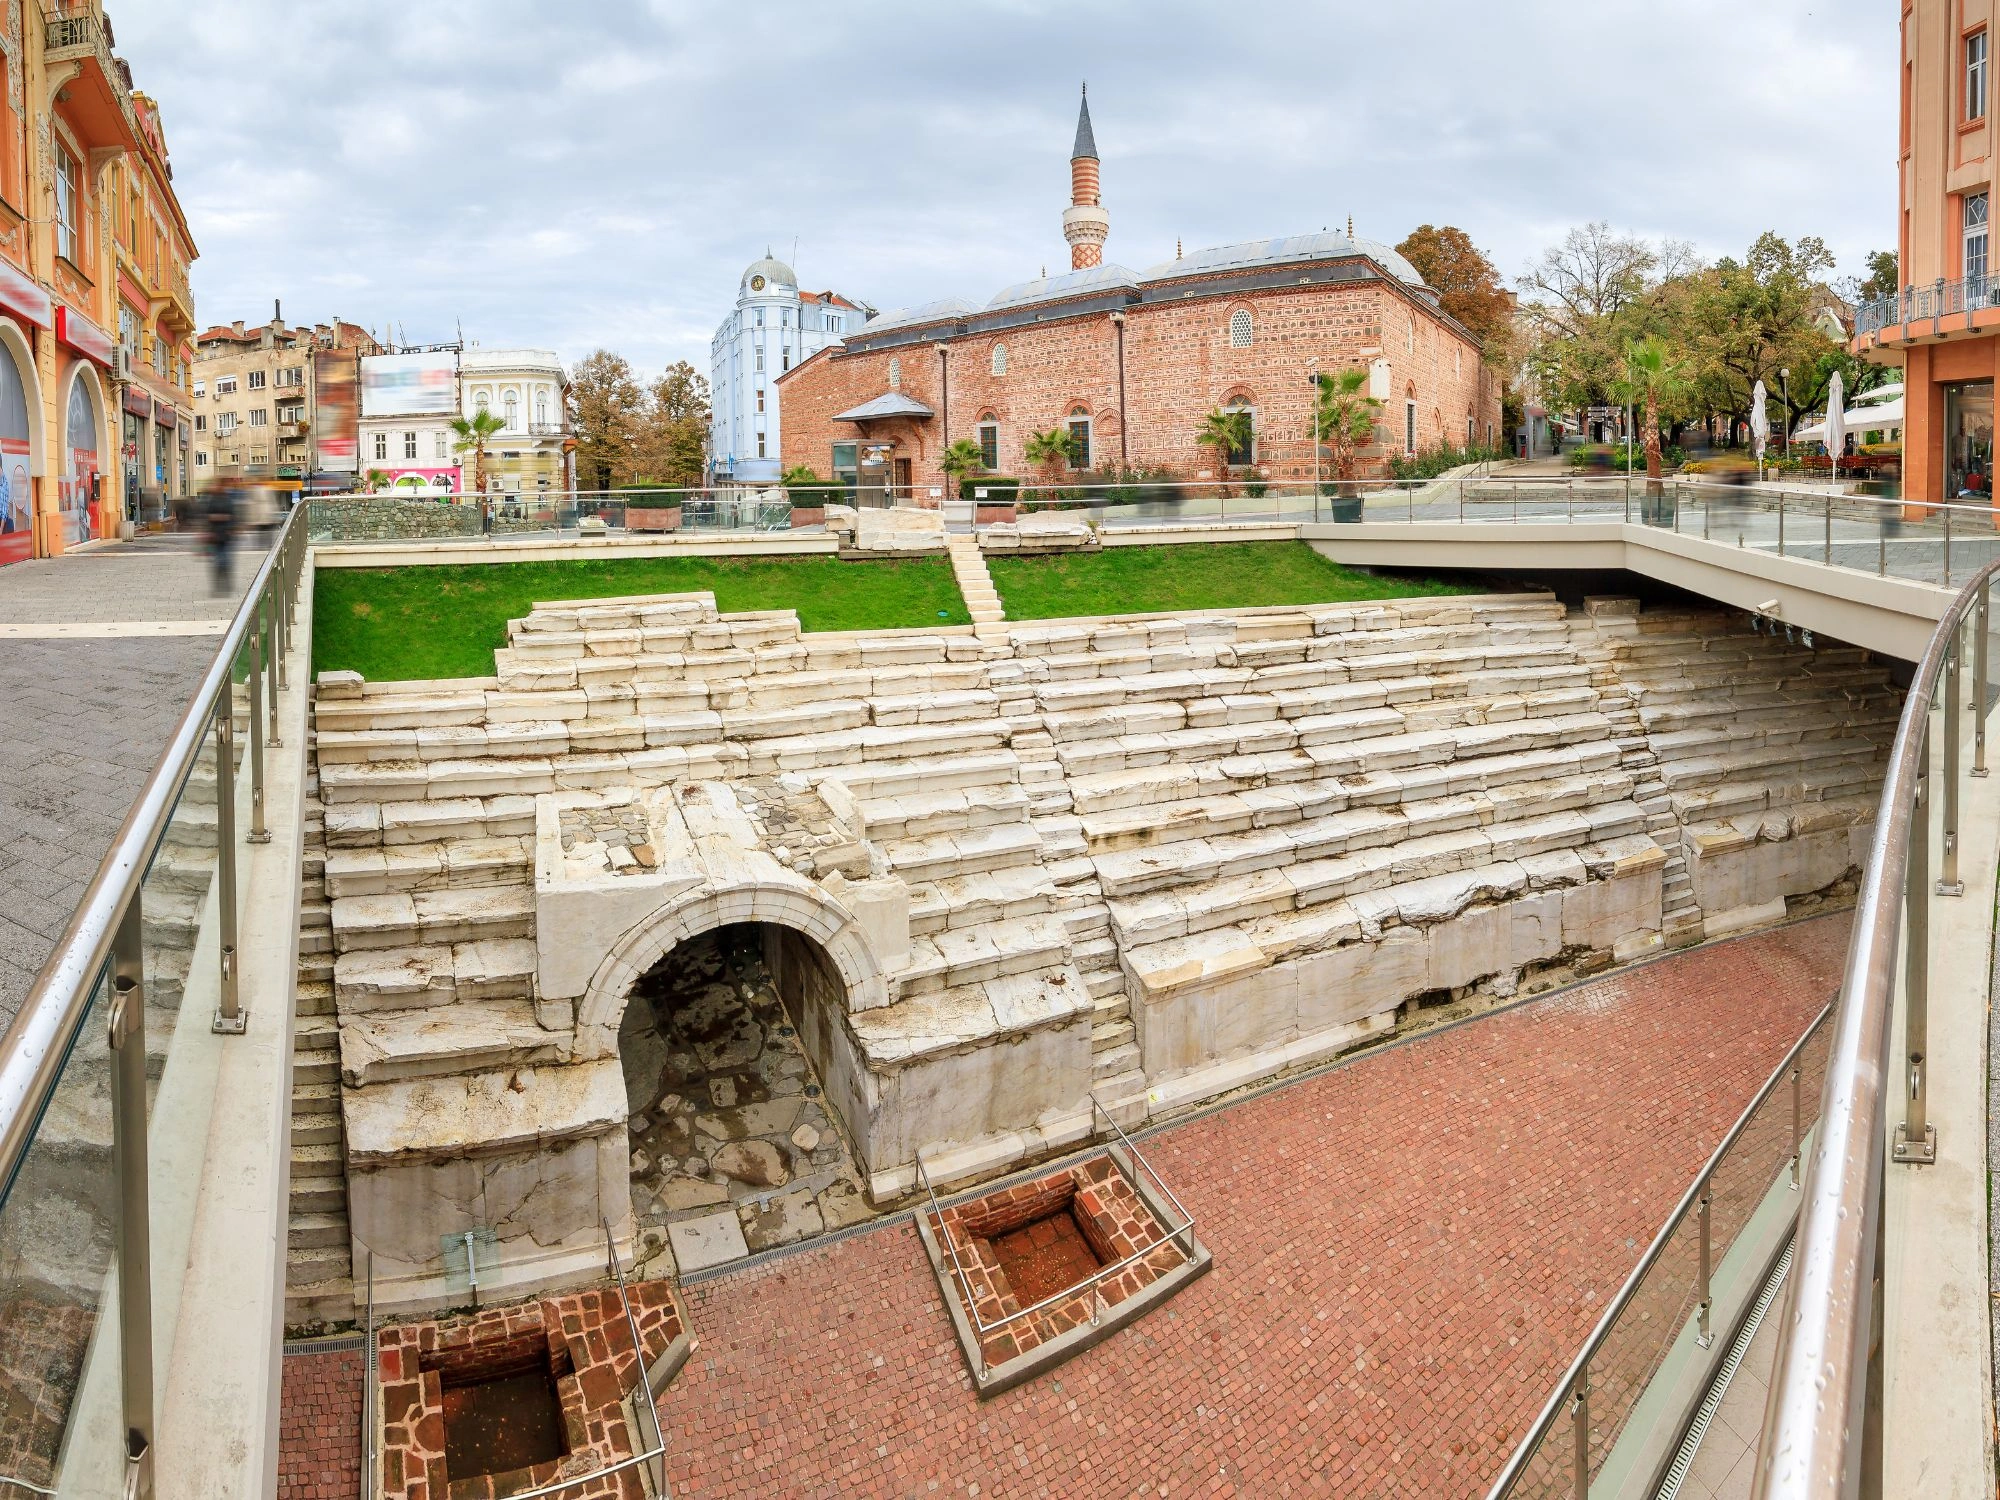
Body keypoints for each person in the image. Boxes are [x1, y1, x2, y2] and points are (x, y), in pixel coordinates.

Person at [204, 482, 237, 596]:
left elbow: (232, 516)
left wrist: (218, 518)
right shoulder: (212, 501)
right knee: (219, 561)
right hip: (215, 536)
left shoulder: (227, 500)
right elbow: (207, 517)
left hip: (225, 535)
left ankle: (225, 586)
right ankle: (220, 586)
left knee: (224, 560)